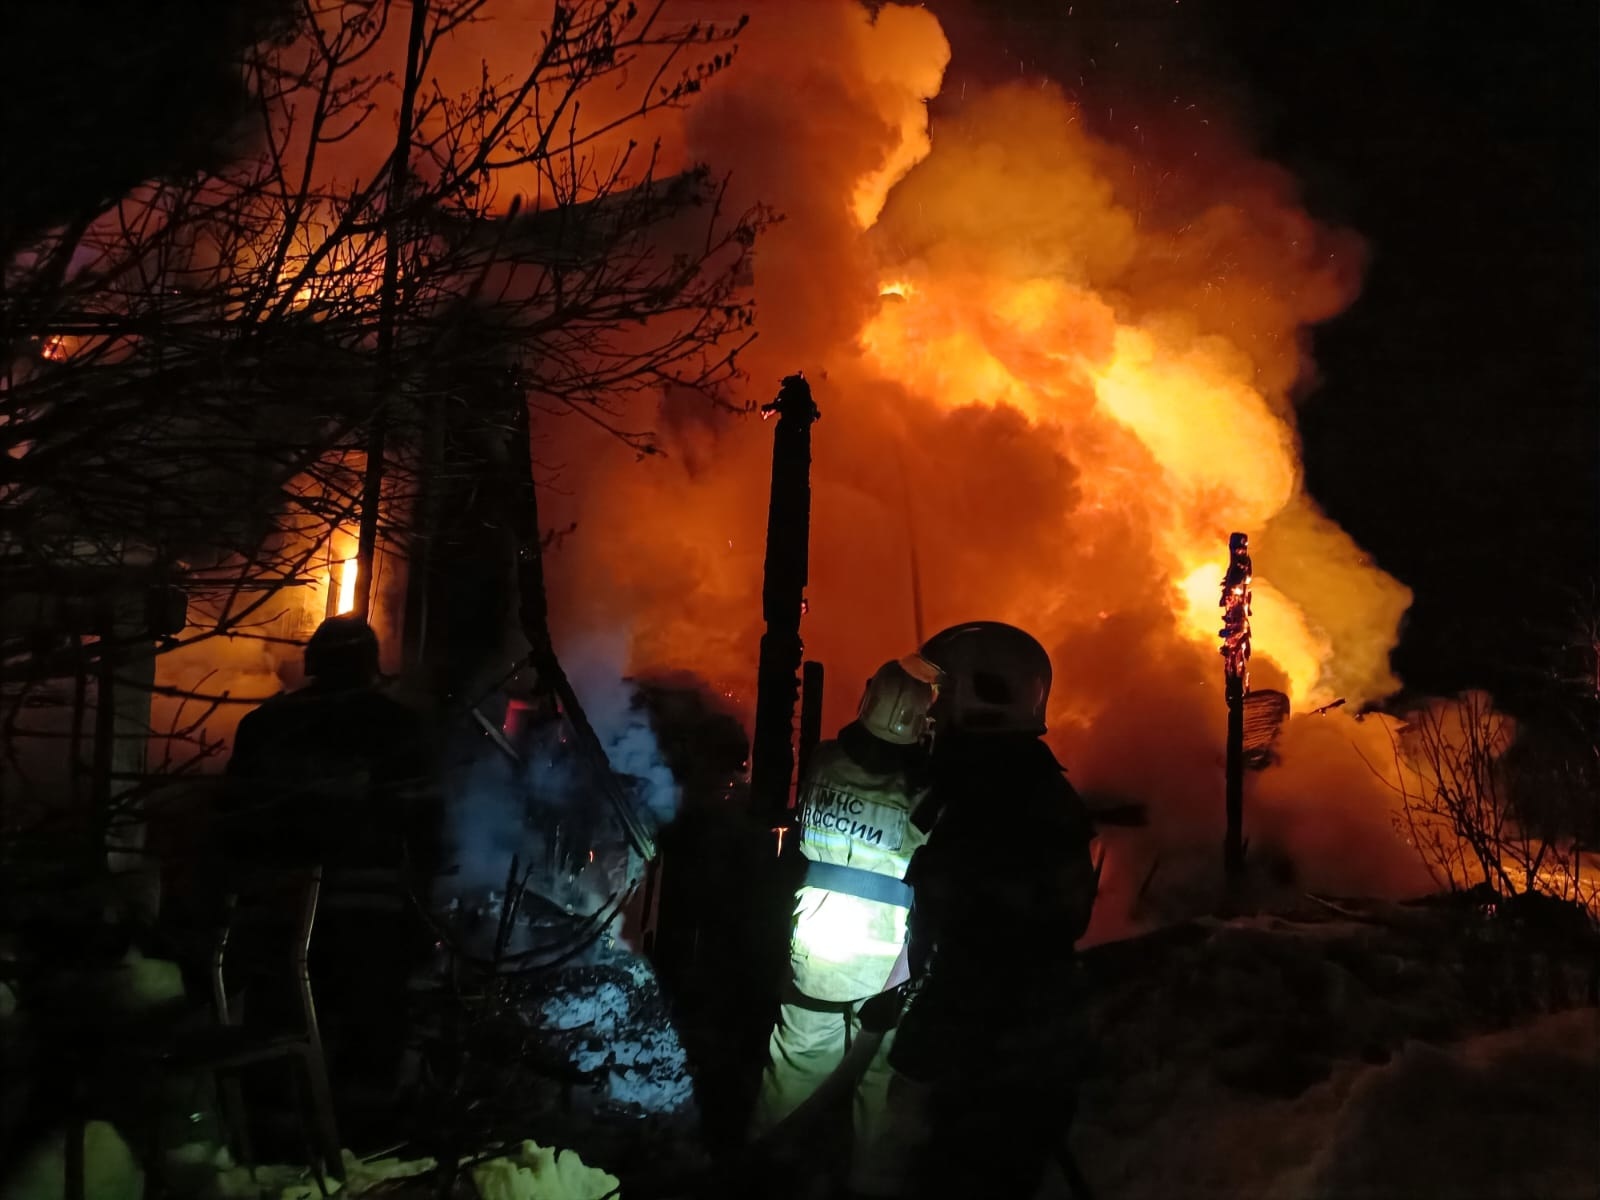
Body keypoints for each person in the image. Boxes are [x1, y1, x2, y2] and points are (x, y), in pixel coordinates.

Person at [881, 621, 1098, 1200]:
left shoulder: (995, 802)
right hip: (1010, 1055)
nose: (930, 711)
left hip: (997, 1065)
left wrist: (924, 1042)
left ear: (984, 701)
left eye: (942, 694)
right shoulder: (1003, 784)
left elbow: (984, 945)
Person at [219, 615, 443, 1112]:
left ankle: (273, 1133)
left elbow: (231, 823)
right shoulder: (401, 730)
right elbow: (428, 831)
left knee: (278, 1030)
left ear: (312, 664)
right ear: (371, 666)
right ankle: (359, 1137)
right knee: (369, 1033)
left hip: (273, 916)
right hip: (371, 922)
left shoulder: (261, 727)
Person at [749, 656, 942, 1198]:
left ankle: (765, 1174)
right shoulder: (923, 794)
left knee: (791, 1075)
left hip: (816, 954)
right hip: (887, 971)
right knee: (880, 1095)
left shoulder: (824, 761)